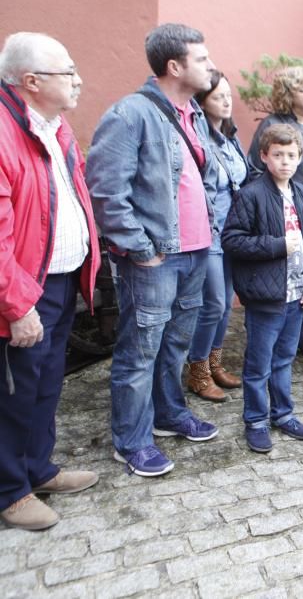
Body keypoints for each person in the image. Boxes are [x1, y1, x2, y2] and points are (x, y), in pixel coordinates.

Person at [87, 23, 221, 478]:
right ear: (175, 66)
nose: (210, 65)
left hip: (197, 251)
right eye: (201, 59)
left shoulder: (194, 115)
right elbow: (106, 193)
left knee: (175, 344)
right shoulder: (130, 115)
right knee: (140, 350)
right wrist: (141, 250)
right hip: (156, 258)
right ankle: (131, 441)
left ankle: (168, 414)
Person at [0, 32, 100, 530]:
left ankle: (38, 468)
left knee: (45, 385)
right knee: (14, 394)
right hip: (23, 290)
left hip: (60, 280)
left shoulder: (54, 127)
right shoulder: (2, 131)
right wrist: (17, 305)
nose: (78, 79)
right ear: (32, 81)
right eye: (69, 71)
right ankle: (9, 491)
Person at [222, 124, 303, 453]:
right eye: (277, 155)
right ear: (264, 156)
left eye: (291, 155)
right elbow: (232, 240)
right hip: (265, 299)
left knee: (283, 361)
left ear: (299, 158)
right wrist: (277, 245)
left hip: (297, 297)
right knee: (258, 365)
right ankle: (255, 420)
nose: (285, 161)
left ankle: (283, 414)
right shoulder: (250, 195)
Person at [247, 66, 303, 361]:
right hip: (284, 204)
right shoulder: (273, 123)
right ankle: (292, 339)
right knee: (288, 270)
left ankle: (299, 334)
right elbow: (255, 167)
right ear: (287, 94)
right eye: (302, 88)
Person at [184, 70, 249, 401]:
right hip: (208, 234)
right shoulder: (199, 139)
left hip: (232, 235)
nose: (226, 101)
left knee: (225, 306)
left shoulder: (231, 137)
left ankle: (214, 361)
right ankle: (196, 370)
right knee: (214, 304)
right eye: (218, 96)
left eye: (228, 95)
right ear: (202, 101)